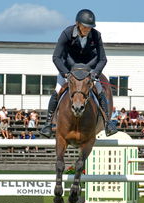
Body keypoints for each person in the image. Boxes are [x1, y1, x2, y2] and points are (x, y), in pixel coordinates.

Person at [40, 9, 117, 138]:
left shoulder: (96, 35)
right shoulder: (67, 33)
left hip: (88, 71)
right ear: (77, 24)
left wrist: (95, 74)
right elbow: (56, 57)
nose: (88, 29)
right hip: (69, 70)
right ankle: (48, 124)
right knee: (57, 90)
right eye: (85, 27)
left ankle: (108, 123)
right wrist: (65, 74)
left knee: (100, 91)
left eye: (90, 27)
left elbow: (103, 59)